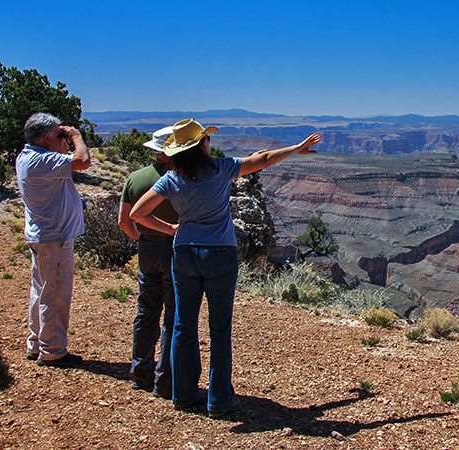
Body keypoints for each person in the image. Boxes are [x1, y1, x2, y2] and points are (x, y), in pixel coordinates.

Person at [130, 118, 321, 418]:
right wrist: (297, 148)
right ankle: (219, 401)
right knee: (219, 328)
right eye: (206, 139)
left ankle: (182, 395)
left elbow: (137, 212)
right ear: (202, 145)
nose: (210, 143)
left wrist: (171, 229)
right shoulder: (221, 169)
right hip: (220, 254)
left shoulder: (170, 179)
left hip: (185, 254)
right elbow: (264, 160)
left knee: (182, 324)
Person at [15, 112, 91, 367]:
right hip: (54, 237)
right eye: (60, 134)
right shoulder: (42, 160)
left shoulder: (27, 157)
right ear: (47, 137)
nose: (65, 137)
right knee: (56, 292)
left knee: (41, 289)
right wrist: (77, 138)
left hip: (42, 234)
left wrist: (64, 140)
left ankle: (36, 343)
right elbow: (83, 161)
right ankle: (53, 350)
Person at [118, 126, 178, 398]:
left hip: (147, 250)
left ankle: (140, 371)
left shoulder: (135, 178)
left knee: (146, 311)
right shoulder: (181, 178)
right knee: (173, 314)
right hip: (176, 249)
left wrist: (141, 239)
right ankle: (165, 379)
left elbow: (124, 221)